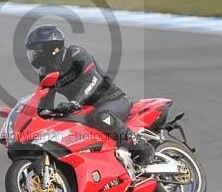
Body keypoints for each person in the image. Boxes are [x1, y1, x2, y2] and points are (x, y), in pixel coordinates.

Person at [25, 25, 155, 167]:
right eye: (33, 51)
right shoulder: (45, 72)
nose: (35, 55)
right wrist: (35, 117)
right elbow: (45, 100)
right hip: (84, 109)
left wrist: (76, 102)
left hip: (111, 99)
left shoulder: (75, 54)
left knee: (101, 117)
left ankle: (143, 148)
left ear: (52, 47)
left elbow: (93, 79)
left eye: (38, 50)